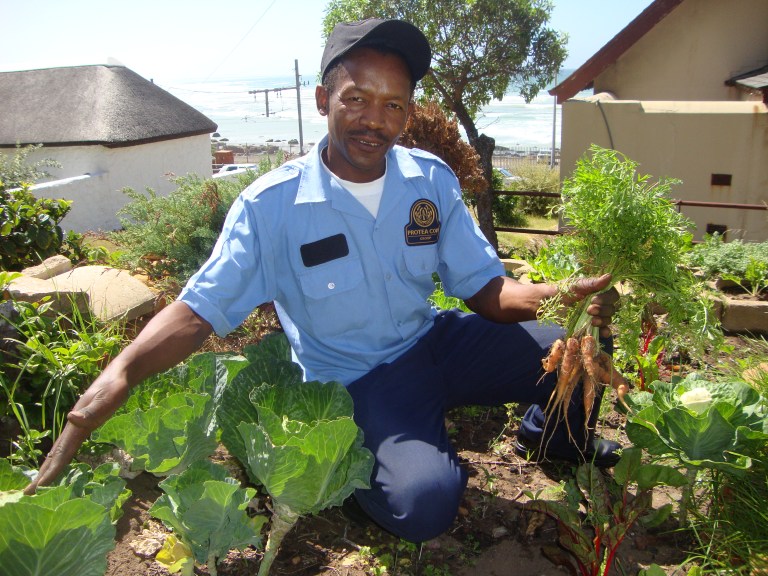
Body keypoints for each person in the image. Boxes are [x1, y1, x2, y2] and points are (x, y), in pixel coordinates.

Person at [26, 18, 620, 543]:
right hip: (362, 380)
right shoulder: (272, 207)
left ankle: (551, 443)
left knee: (578, 345)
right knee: (426, 507)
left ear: (409, 113)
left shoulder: (429, 181)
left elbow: (486, 289)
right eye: (357, 98)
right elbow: (198, 310)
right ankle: (391, 465)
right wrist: (118, 376)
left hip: (437, 341)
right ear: (322, 99)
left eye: (394, 105)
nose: (375, 121)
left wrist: (557, 298)